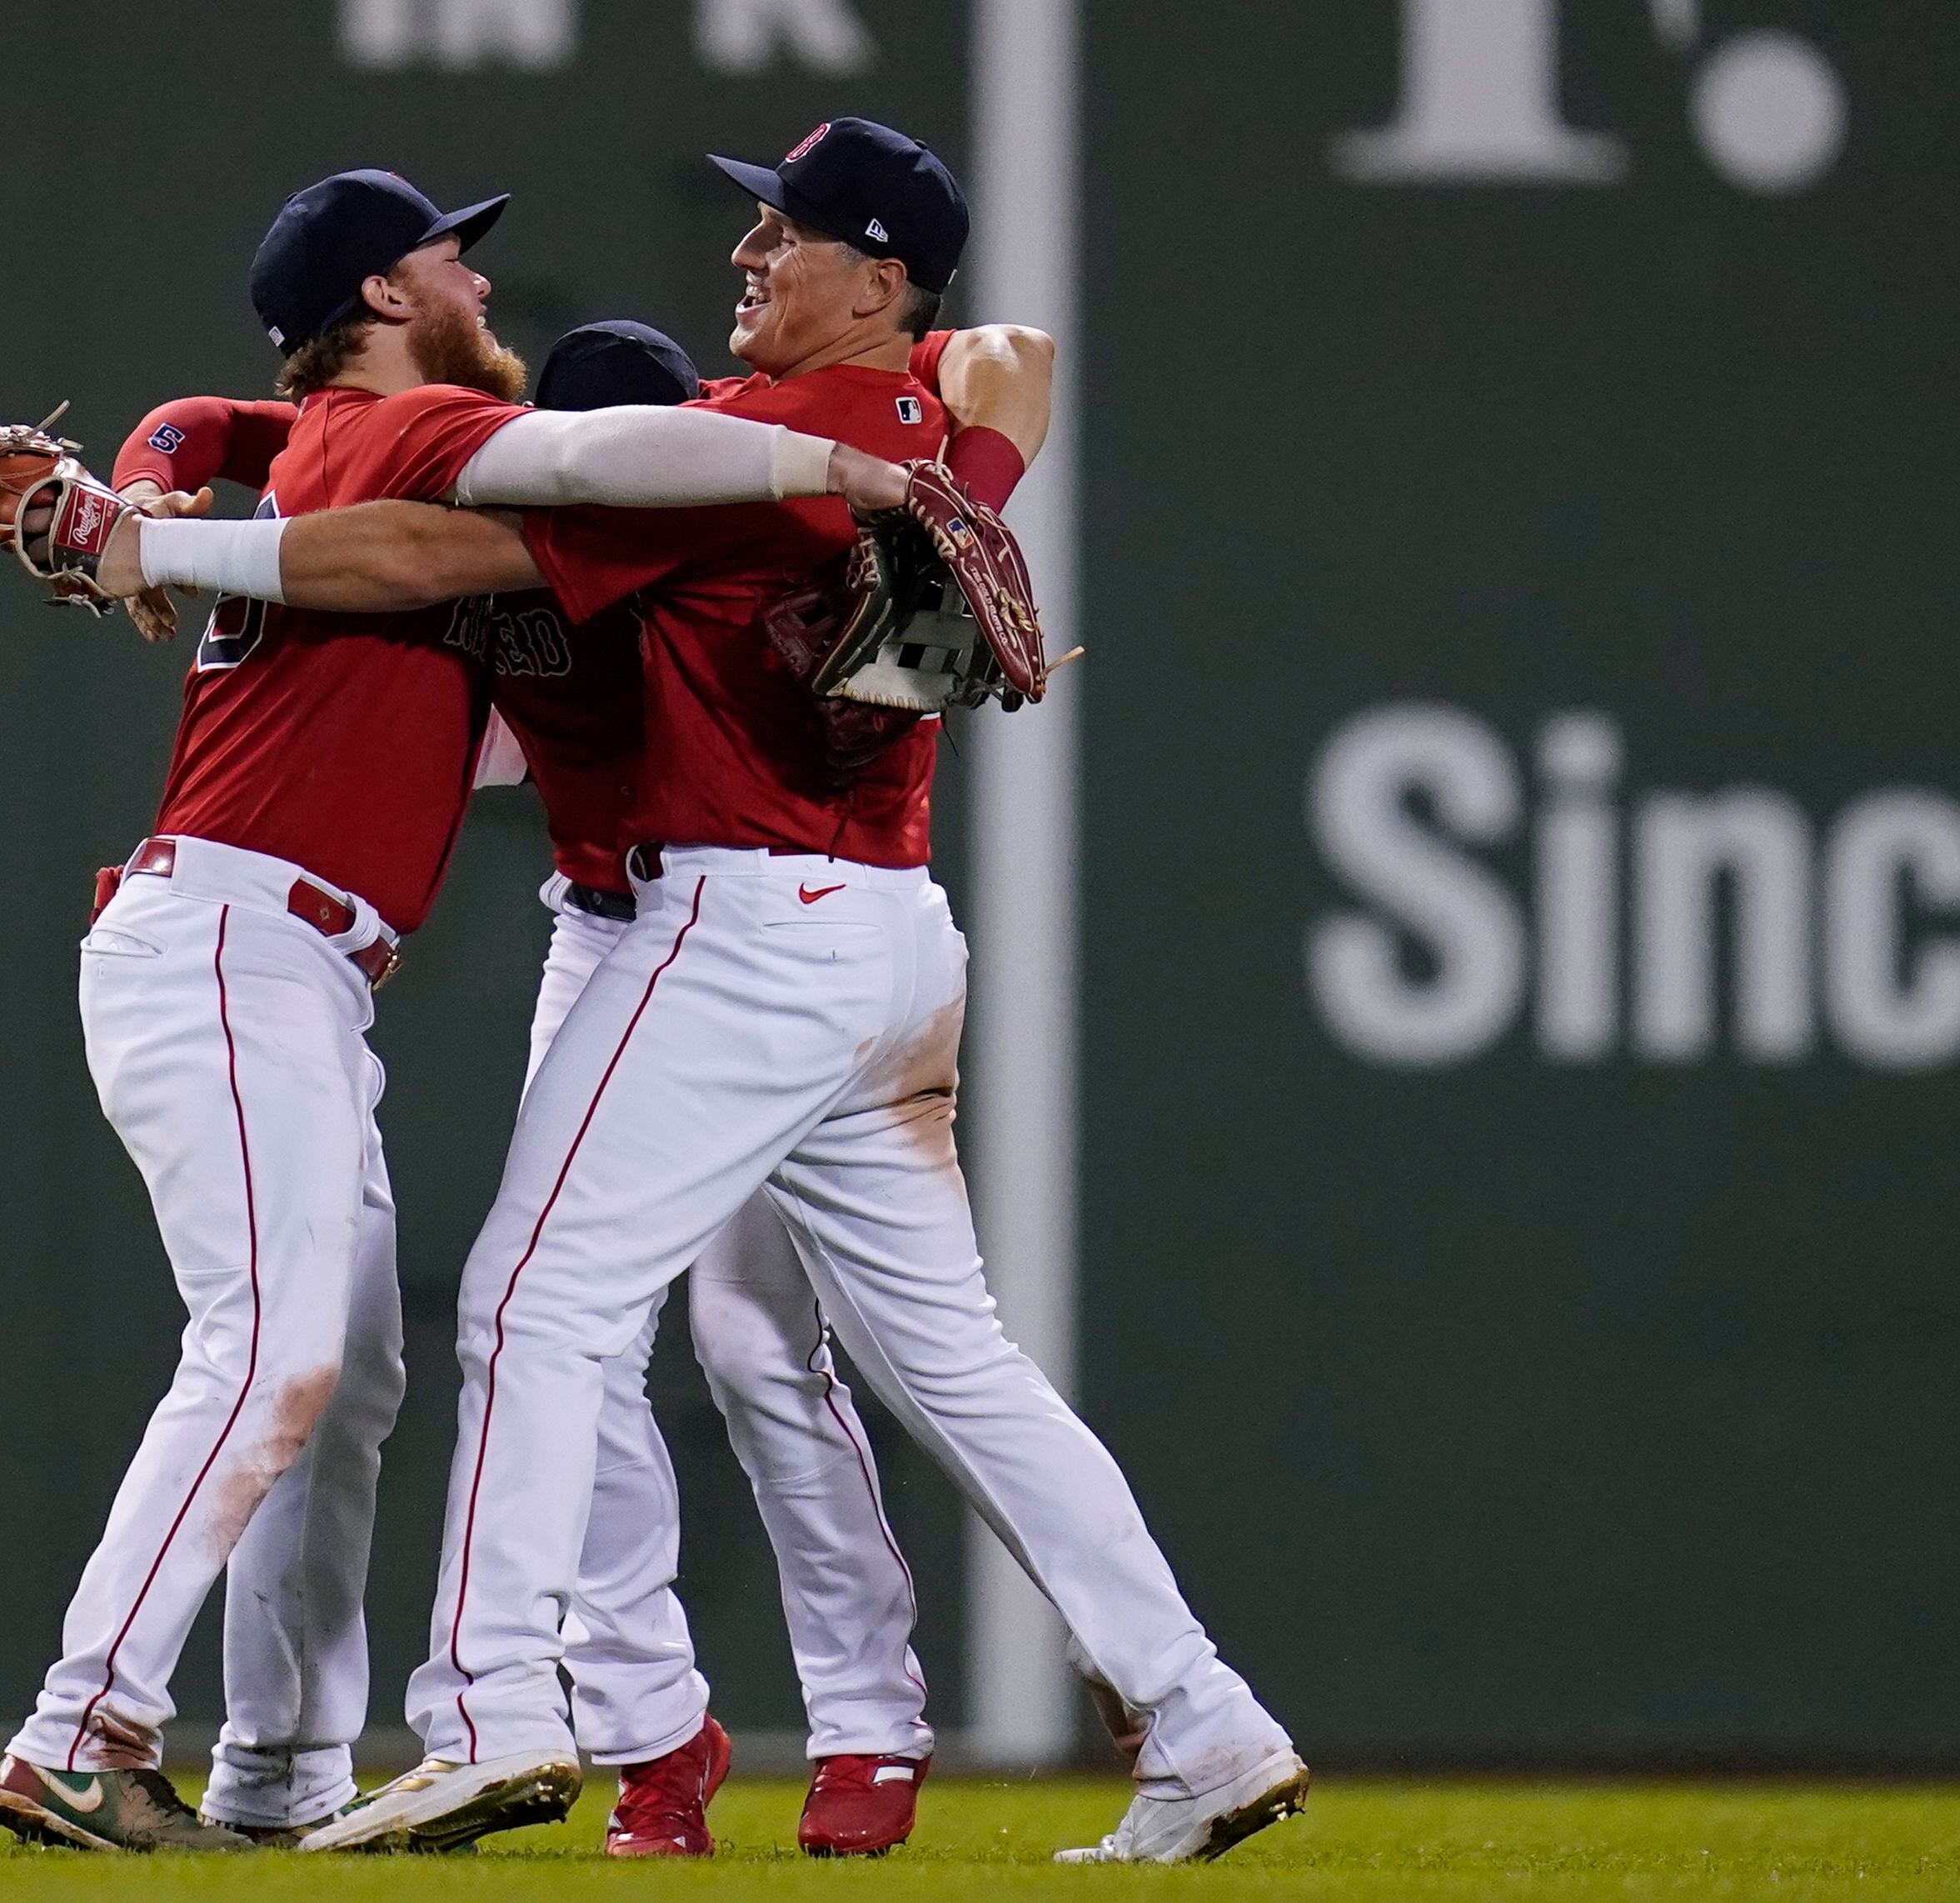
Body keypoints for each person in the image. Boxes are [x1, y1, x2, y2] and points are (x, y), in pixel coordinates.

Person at [107, 118, 1308, 1868]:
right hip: (886, 939)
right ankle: (1203, 1713)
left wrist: (159, 540)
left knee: (533, 1300)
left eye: (786, 233)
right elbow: (1009, 360)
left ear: (876, 272)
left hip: (734, 920)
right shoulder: (891, 412)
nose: (747, 254)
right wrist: (965, 462)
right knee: (947, 1365)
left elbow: (435, 551)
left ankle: (496, 1708)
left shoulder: (732, 450)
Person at [0, 164, 939, 1856]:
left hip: (279, 960)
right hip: (224, 943)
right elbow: (510, 495)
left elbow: (208, 414)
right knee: (274, 1352)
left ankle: (277, 1765)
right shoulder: (406, 433)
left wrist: (123, 497)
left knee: (339, 1384)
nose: (482, 285)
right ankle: (81, 1728)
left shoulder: (332, 433)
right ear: (382, 293)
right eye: (452, 258)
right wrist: (829, 458)